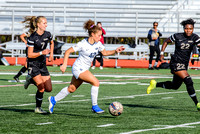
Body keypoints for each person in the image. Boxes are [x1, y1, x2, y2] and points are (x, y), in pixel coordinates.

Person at [48, 19, 125, 114]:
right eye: (98, 35)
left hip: (84, 68)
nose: (100, 37)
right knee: (96, 82)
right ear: (92, 34)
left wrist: (115, 51)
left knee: (71, 89)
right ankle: (94, 106)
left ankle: (53, 100)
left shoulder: (98, 44)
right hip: (78, 68)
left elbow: (105, 53)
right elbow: (68, 51)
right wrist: (64, 64)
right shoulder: (82, 44)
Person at [147, 18, 200, 111]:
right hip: (175, 62)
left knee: (174, 86)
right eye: (186, 28)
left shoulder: (195, 37)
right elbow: (166, 41)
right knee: (188, 81)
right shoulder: (177, 36)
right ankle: (197, 103)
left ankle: (155, 84)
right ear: (184, 28)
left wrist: (196, 55)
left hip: (184, 64)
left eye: (190, 29)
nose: (188, 30)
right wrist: (162, 53)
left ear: (193, 29)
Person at [25, 16, 54, 113]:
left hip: (42, 64)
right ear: (38, 24)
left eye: (46, 23)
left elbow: (51, 42)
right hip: (33, 64)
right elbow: (29, 54)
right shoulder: (32, 37)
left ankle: (31, 80)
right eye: (44, 23)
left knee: (49, 89)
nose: (46, 25)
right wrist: (42, 53)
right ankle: (38, 108)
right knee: (41, 88)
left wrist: (51, 54)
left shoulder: (48, 34)